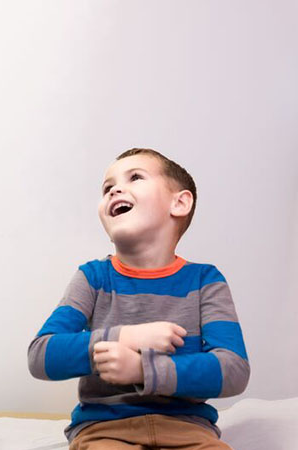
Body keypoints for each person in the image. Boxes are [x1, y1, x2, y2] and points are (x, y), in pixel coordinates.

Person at [27, 149, 249, 449]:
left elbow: (233, 369)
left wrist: (143, 370)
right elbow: (41, 354)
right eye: (107, 188)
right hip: (104, 428)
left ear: (179, 203)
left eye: (135, 177)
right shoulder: (93, 277)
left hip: (189, 429)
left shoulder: (206, 280)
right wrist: (126, 337)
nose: (115, 189)